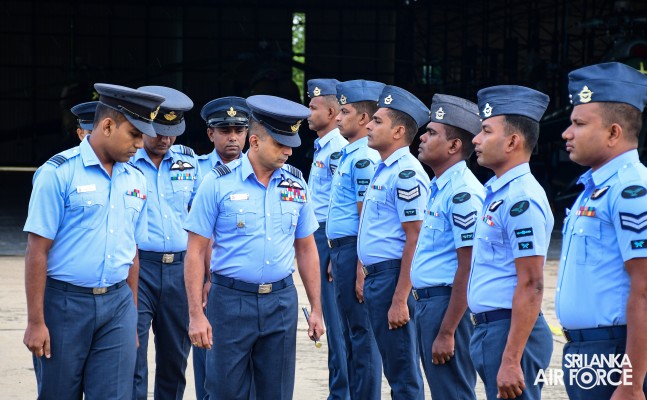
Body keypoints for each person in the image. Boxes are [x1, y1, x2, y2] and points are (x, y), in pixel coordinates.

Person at [23, 83, 165, 399]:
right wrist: (35, 322)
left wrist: (131, 315)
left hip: (118, 306)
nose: (140, 144)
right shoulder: (58, 173)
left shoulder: (136, 179)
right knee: (60, 393)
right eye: (134, 134)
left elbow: (132, 252)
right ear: (108, 126)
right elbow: (37, 250)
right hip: (65, 305)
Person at [184, 94, 325, 400]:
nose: (289, 151)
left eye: (291, 144)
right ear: (256, 141)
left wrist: (317, 308)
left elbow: (306, 249)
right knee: (225, 392)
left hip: (280, 303)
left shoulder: (296, 185)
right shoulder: (217, 183)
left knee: (277, 393)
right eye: (280, 144)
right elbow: (194, 251)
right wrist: (196, 313)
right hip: (230, 301)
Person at [556, 62, 647, 399]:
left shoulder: (631, 189)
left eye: (579, 124)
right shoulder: (594, 189)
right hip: (584, 351)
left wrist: (631, 383)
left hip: (613, 352)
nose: (567, 133)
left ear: (613, 133)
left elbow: (645, 287)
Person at [467, 85, 554, 400]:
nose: (476, 139)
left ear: (513, 141)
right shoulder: (498, 193)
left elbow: (531, 283)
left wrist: (511, 358)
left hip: (510, 332)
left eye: (486, 131)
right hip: (493, 330)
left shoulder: (522, 199)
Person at [358, 85, 430, 399]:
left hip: (393, 280)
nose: (369, 126)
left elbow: (415, 236)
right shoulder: (385, 168)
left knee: (402, 373)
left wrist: (400, 299)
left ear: (399, 131)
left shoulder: (405, 174)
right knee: (394, 367)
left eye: (377, 121)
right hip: (380, 278)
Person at [411, 94, 483, 399]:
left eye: (431, 133)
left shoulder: (462, 194)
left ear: (454, 146)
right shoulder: (440, 187)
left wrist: (447, 331)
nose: (422, 138)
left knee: (452, 392)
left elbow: (468, 267)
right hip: (431, 304)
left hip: (447, 307)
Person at [130, 85, 199, 400]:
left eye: (172, 133)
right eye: (158, 132)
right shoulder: (125, 162)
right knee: (133, 354)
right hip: (138, 268)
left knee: (175, 357)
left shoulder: (189, 163)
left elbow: (201, 222)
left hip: (179, 270)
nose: (165, 140)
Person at [326, 79, 384, 399]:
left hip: (353, 251)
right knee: (350, 334)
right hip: (343, 252)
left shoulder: (364, 159)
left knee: (362, 335)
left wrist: (361, 267)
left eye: (345, 112)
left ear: (363, 118)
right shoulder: (350, 154)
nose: (337, 117)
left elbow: (366, 217)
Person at [194, 95, 251, 400]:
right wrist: (204, 279)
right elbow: (197, 238)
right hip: (209, 279)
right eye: (225, 130)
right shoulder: (196, 171)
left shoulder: (260, 169)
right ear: (210, 133)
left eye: (239, 131)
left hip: (243, 281)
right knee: (207, 357)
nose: (233, 137)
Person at [306, 78, 350, 400]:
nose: (307, 112)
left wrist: (334, 252)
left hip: (327, 236)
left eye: (313, 107)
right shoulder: (324, 146)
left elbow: (340, 204)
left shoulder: (337, 150)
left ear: (332, 112)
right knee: (332, 323)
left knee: (336, 325)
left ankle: (341, 393)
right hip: (318, 236)